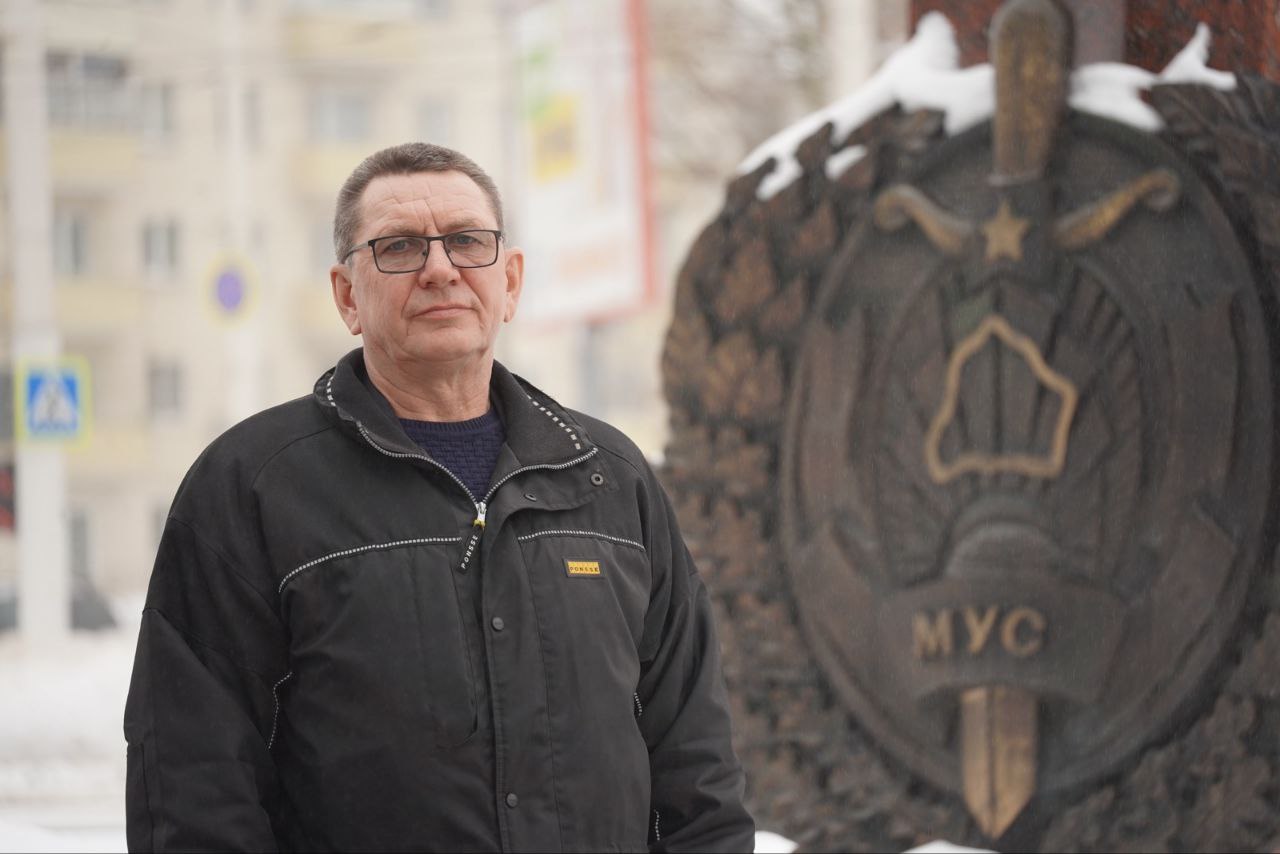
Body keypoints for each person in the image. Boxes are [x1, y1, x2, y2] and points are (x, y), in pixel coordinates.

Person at [123, 142, 754, 852]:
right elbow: (192, 784)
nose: (440, 269)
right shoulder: (253, 485)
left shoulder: (609, 478)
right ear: (347, 295)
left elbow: (698, 765)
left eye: (467, 241)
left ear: (509, 281)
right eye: (398, 247)